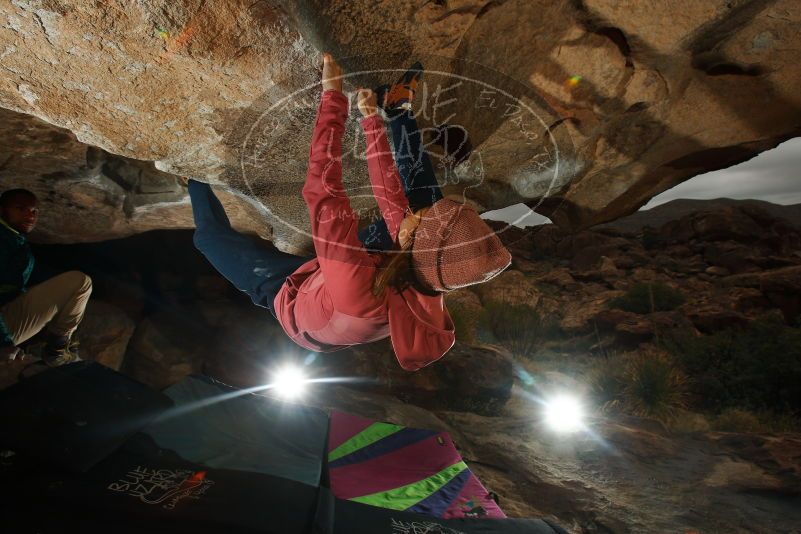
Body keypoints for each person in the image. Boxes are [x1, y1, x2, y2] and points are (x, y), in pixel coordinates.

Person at [189, 53, 511, 371]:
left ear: (408, 239)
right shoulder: (429, 269)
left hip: (289, 297)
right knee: (423, 199)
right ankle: (396, 109)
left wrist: (332, 98)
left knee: (209, 239)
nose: (422, 213)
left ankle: (191, 179)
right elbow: (391, 200)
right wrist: (371, 121)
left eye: (422, 218)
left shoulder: (358, 291)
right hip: (362, 275)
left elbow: (322, 192)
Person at [0, 188, 93, 366]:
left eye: (34, 211)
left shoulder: (12, 239)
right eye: (20, 208)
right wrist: (3, 343)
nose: (30, 215)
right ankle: (56, 350)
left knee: (72, 285)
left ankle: (51, 346)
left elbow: (38, 275)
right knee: (80, 282)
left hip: (9, 311)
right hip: (3, 327)